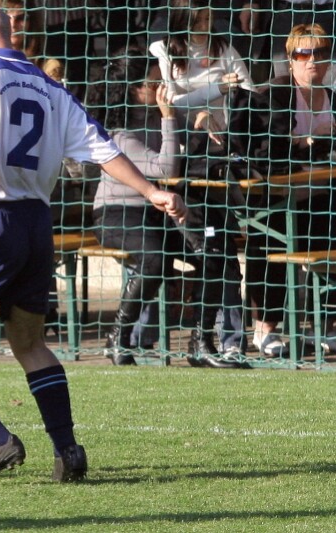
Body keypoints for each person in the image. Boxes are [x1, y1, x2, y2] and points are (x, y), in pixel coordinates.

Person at [0, 3, 186, 485]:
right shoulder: (50, 86)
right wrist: (151, 191)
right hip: (37, 224)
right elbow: (101, 148)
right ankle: (68, 450)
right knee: (31, 344)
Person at [87, 45, 245, 369]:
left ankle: (201, 343)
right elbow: (166, 168)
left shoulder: (159, 113)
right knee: (156, 259)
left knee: (213, 252)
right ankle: (118, 337)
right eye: (154, 82)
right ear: (135, 89)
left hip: (159, 213)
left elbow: (190, 118)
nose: (162, 88)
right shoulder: (119, 134)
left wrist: (200, 117)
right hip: (118, 214)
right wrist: (170, 118)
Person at [149, 0, 251, 362]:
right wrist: (213, 95)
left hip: (219, 164)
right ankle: (149, 336)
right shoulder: (162, 51)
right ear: (183, 19)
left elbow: (249, 90)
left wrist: (228, 97)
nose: (207, 24)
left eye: (210, 17)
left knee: (222, 253)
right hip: (181, 170)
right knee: (201, 254)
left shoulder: (224, 48)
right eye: (200, 19)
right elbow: (170, 102)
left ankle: (229, 340)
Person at [246, 23, 336, 356]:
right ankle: (265, 329)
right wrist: (308, 143)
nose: (312, 60)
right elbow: (265, 150)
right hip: (275, 198)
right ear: (290, 59)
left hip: (321, 196)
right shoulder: (276, 94)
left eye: (320, 53)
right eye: (303, 53)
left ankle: (325, 325)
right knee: (269, 243)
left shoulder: (332, 98)